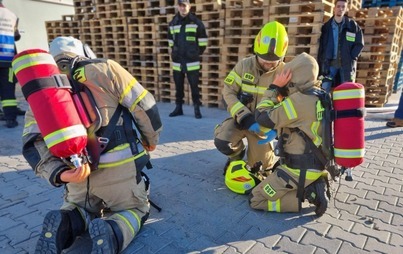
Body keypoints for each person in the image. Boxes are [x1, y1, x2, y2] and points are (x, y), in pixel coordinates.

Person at [14, 37, 162, 253]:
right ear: (84, 50)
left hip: (77, 174)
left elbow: (32, 142)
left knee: (80, 207)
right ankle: (112, 230)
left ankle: (67, 220)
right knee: (136, 208)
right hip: (119, 172)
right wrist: (151, 140)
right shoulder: (106, 68)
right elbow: (145, 105)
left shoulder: (43, 89)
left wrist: (61, 174)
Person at [250, 52, 330, 216]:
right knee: (273, 176)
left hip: (298, 169)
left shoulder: (298, 102)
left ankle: (307, 193)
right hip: (318, 162)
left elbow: (262, 116)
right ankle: (313, 182)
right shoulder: (321, 94)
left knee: (255, 198)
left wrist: (274, 88)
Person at [214, 21, 289, 178]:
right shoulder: (244, 65)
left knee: (262, 169)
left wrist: (277, 129)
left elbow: (290, 105)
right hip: (242, 120)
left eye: (272, 61)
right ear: (256, 51)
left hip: (264, 128)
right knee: (223, 141)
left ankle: (261, 159)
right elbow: (228, 92)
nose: (267, 63)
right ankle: (236, 158)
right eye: (263, 59)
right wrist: (244, 116)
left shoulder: (285, 73)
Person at [167, 0, 208, 119]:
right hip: (177, 62)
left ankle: (197, 109)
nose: (182, 8)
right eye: (180, 5)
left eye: (184, 5)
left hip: (192, 62)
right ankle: (178, 108)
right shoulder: (173, 23)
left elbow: (203, 42)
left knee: (194, 87)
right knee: (178, 87)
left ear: (189, 7)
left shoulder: (196, 22)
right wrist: (174, 52)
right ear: (178, 7)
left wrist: (195, 53)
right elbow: (170, 40)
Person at [317, 0, 364, 94]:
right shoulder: (326, 27)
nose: (340, 9)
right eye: (338, 6)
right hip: (329, 65)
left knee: (347, 92)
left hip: (346, 65)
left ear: (346, 9)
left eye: (343, 7)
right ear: (334, 8)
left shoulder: (352, 26)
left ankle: (343, 109)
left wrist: (352, 57)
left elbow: (359, 44)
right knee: (324, 90)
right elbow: (322, 46)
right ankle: (326, 108)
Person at [0, 0, 21, 128]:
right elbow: (16, 36)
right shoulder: (12, 15)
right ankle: (10, 118)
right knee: (8, 88)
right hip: (7, 56)